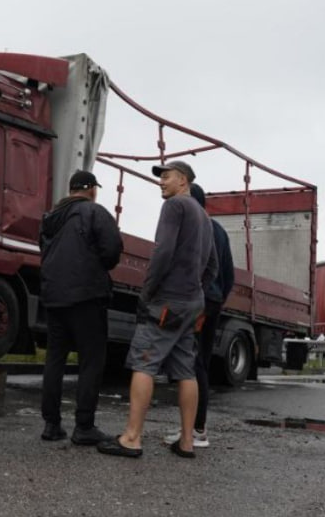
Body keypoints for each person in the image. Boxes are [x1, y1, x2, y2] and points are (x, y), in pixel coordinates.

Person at [98, 160, 216, 459]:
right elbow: (212, 267)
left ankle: (132, 438)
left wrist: (148, 291)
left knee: (144, 363)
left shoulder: (175, 207)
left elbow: (162, 252)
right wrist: (195, 289)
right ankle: (187, 441)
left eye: (167, 177)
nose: (161, 182)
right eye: (160, 177)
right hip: (192, 303)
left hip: (167, 300)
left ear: (184, 181)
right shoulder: (204, 216)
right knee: (185, 369)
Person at [38, 169, 124, 446]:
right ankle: (84, 426)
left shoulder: (50, 217)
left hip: (53, 296)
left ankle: (51, 424)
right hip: (87, 296)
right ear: (90, 189)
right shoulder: (94, 212)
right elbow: (112, 250)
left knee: (55, 359)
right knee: (91, 360)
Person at [164, 182, 234, 449]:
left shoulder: (189, 226)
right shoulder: (218, 229)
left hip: (195, 299)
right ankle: (192, 426)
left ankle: (196, 430)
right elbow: (228, 274)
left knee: (192, 364)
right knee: (198, 361)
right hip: (211, 300)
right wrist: (217, 298)